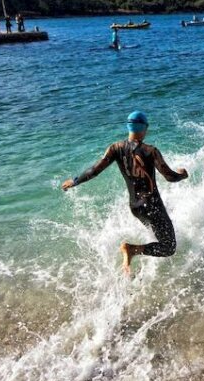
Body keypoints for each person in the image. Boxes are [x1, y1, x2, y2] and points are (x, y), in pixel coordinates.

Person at [61, 111, 188, 276]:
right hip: (152, 205)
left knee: (160, 237)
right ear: (144, 128)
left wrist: (75, 181)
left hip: (135, 208)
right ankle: (132, 250)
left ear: (129, 127)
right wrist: (183, 175)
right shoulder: (151, 151)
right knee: (169, 247)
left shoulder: (116, 148)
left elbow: (94, 170)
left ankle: (139, 263)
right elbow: (170, 177)